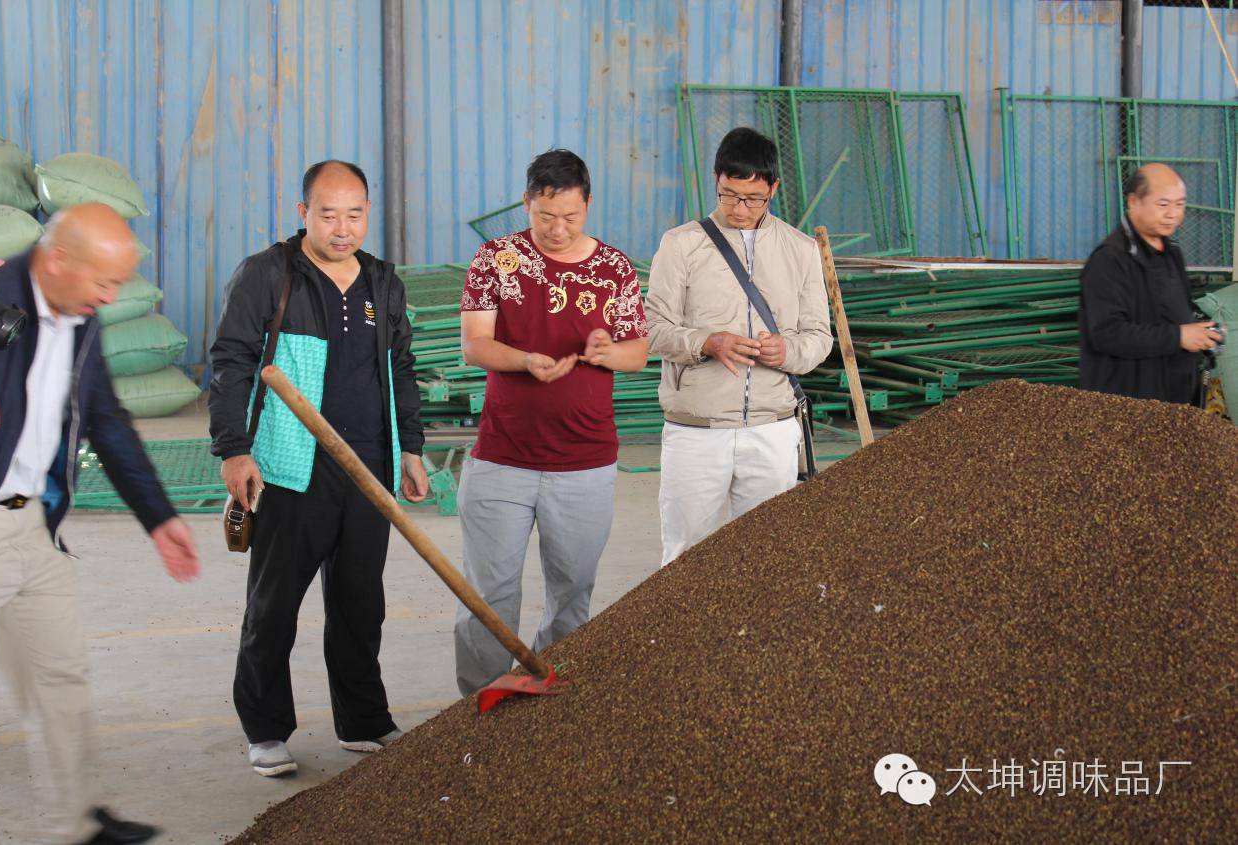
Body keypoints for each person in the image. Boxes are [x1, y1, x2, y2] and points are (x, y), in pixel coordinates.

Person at [0, 206, 200, 845]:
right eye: (104, 281)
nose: (110, 297)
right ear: (58, 259)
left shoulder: (80, 319)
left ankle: (80, 826)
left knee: (60, 679)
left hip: (35, 527)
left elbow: (105, 419)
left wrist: (158, 517)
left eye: (119, 285)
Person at [209, 160, 429, 777]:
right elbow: (230, 360)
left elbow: (402, 368)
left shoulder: (383, 281)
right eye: (327, 214)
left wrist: (409, 447)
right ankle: (265, 728)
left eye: (354, 214)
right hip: (290, 467)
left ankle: (363, 721)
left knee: (361, 602)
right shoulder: (269, 275)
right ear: (303, 213)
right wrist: (233, 448)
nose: (342, 227)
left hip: (370, 467)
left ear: (368, 213)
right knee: (274, 604)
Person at [453, 149, 649, 695]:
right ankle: (479, 705)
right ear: (527, 203)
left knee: (572, 594)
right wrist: (525, 360)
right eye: (545, 217)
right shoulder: (496, 260)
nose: (558, 229)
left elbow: (638, 352)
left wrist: (608, 349)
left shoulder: (614, 268)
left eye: (570, 216)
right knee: (488, 596)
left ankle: (552, 703)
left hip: (585, 461)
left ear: (587, 203)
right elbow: (475, 344)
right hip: (501, 457)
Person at [644, 127, 833, 567]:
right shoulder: (681, 244)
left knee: (767, 560)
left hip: (772, 427)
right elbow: (651, 327)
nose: (740, 209)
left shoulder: (800, 249)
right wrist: (705, 342)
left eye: (753, 199)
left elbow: (819, 337)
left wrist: (787, 352)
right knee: (686, 559)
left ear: (774, 189)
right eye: (729, 195)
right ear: (716, 179)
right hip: (696, 430)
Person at [1079, 163, 1220, 404]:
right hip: (1128, 404)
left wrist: (1200, 333)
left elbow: (1174, 315)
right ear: (1134, 202)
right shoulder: (1109, 260)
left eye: (1180, 204)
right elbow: (1107, 333)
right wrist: (1178, 336)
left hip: (1174, 398)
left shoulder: (1172, 254)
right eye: (1163, 204)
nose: (1173, 214)